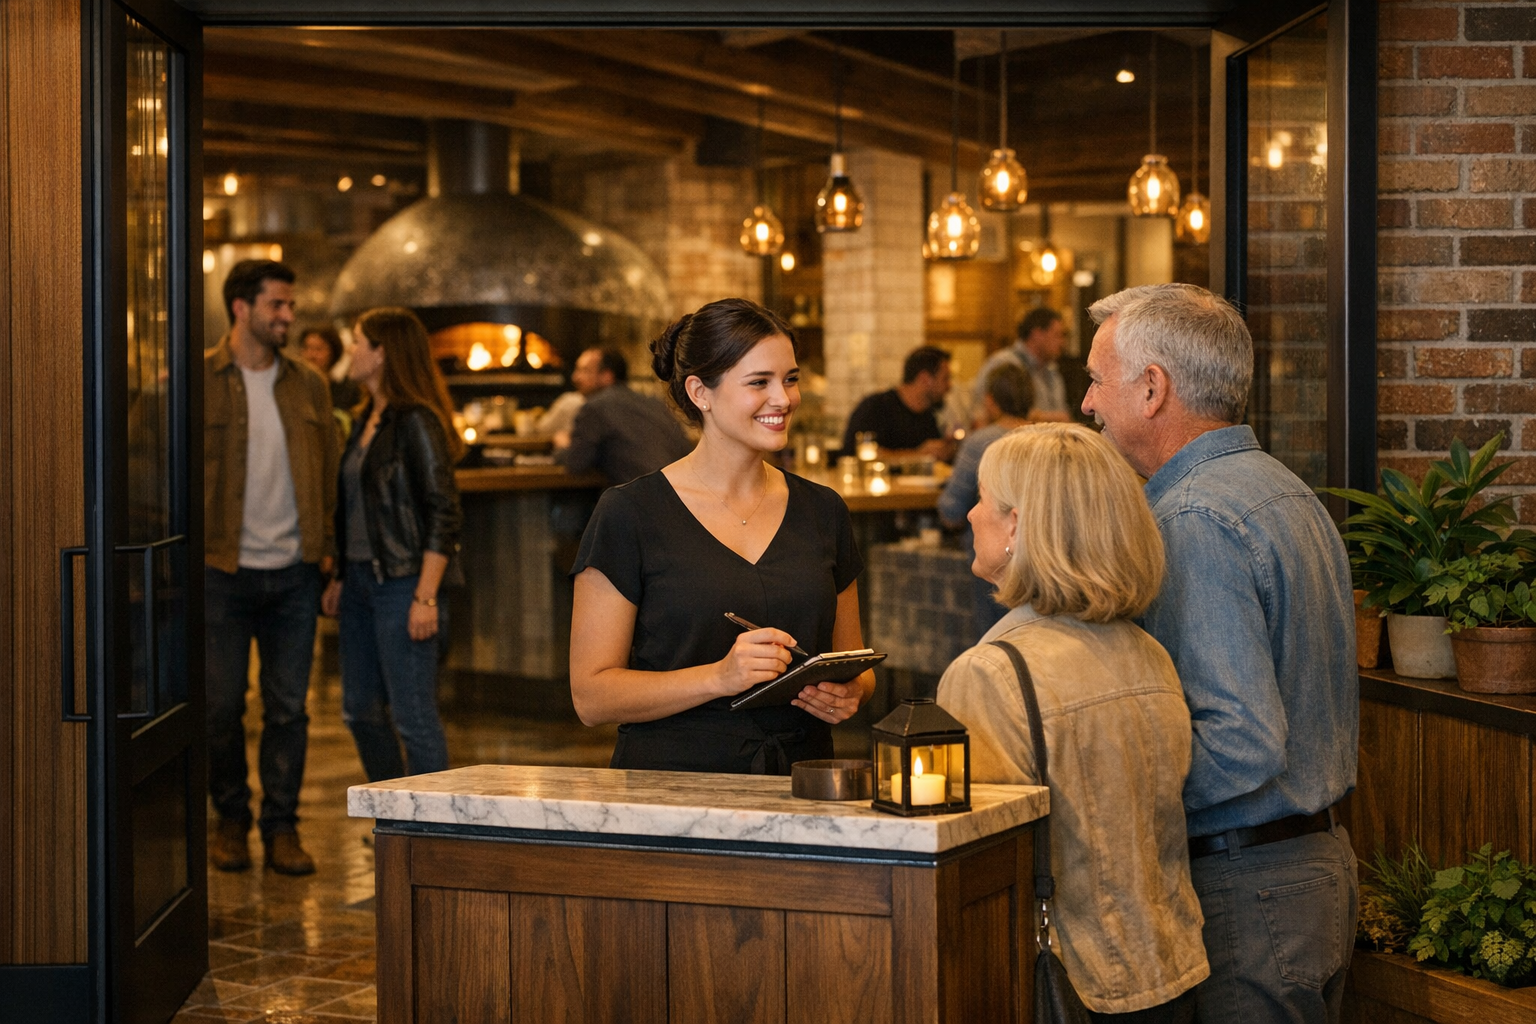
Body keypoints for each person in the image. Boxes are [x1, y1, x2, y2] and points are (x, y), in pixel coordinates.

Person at [1081, 283, 1358, 1024]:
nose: (1087, 404)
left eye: (1095, 380)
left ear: (1151, 388)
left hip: (1251, 883)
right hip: (1312, 871)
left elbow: (1242, 742)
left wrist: (1120, 808)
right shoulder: (1284, 490)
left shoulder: (1195, 517)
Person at [937, 424, 1209, 1023]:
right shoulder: (1147, 652)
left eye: (984, 498)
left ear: (1016, 525)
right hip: (1172, 969)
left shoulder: (989, 674)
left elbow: (979, 874)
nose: (971, 515)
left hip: (1064, 984)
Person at [568, 298, 875, 773]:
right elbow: (592, 696)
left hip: (803, 783)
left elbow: (853, 662)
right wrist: (718, 677)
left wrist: (848, 691)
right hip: (674, 790)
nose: (784, 399)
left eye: (790, 379)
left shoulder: (823, 509)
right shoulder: (630, 512)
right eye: (759, 383)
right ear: (700, 392)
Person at [204, 259, 338, 876]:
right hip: (221, 570)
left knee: (289, 708)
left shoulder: (309, 384)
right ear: (241, 308)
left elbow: (330, 478)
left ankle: (281, 827)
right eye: (276, 305)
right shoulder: (196, 381)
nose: (288, 316)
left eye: (289, 305)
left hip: (294, 571)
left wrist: (329, 561)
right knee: (220, 704)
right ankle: (230, 819)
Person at [321, 307, 464, 783]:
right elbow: (355, 507)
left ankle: (428, 835)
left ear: (382, 354)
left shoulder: (415, 421)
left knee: (414, 717)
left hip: (404, 583)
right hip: (361, 580)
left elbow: (444, 510)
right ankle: (392, 814)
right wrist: (342, 573)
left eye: (358, 342)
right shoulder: (366, 419)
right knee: (359, 710)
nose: (351, 351)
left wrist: (425, 596)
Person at [938, 361, 1034, 639]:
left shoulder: (982, 441)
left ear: (991, 401)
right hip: (1044, 555)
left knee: (998, 639)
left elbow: (951, 509)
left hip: (998, 560)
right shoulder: (1045, 437)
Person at [553, 345, 692, 485]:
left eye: (584, 371)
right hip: (685, 494)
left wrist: (562, 446)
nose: (575, 377)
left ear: (607, 376)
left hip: (643, 499)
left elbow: (576, 463)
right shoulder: (654, 403)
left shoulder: (595, 407)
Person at [839, 345, 956, 461]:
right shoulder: (876, 407)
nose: (949, 386)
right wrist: (918, 455)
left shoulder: (928, 416)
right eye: (945, 378)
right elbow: (858, 454)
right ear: (924, 378)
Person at [972, 307, 1081, 426]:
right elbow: (988, 412)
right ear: (1037, 334)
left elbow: (1063, 414)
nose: (1062, 343)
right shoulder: (1005, 364)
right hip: (1013, 441)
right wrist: (1051, 418)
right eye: (1058, 335)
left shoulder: (1051, 370)